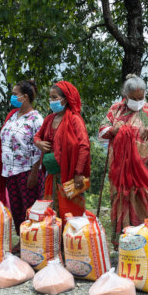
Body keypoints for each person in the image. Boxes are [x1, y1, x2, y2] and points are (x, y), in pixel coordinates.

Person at [98, 74, 148, 243]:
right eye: (133, 98)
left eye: (141, 97)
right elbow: (102, 130)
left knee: (143, 202)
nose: (138, 101)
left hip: (142, 170)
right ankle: (123, 243)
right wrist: (115, 130)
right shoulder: (116, 109)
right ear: (126, 95)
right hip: (119, 170)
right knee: (120, 202)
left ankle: (147, 242)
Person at [34, 80, 91, 219]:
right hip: (52, 175)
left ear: (65, 99)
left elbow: (84, 146)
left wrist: (78, 173)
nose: (51, 101)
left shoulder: (75, 120)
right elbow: (37, 136)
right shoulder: (49, 119)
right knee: (53, 213)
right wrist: (39, 143)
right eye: (50, 97)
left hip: (70, 175)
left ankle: (70, 233)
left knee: (71, 214)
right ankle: (55, 233)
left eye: (55, 97)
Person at [0, 80, 45, 233]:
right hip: (10, 171)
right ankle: (21, 238)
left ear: (25, 97)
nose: (12, 97)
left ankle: (32, 238)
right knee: (16, 208)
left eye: (15, 94)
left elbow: (39, 149)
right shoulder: (13, 116)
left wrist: (34, 173)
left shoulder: (36, 119)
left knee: (29, 207)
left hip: (27, 171)